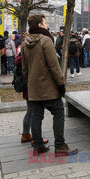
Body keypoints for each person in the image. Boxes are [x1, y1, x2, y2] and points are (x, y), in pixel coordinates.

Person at [21, 14, 77, 156]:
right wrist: (61, 84)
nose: (46, 25)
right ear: (39, 25)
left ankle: (38, 145)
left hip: (34, 88)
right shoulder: (46, 40)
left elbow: (24, 69)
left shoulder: (24, 43)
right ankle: (60, 146)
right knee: (58, 113)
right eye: (45, 23)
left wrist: (29, 84)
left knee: (36, 116)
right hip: (48, 87)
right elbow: (54, 65)